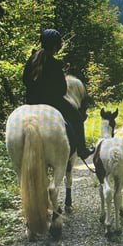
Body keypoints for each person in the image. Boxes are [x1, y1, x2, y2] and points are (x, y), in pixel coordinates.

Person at [22, 29, 95, 160]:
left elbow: (25, 80)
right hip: (52, 103)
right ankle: (82, 150)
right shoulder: (54, 64)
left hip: (30, 103)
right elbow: (62, 90)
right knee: (77, 118)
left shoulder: (32, 59)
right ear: (56, 47)